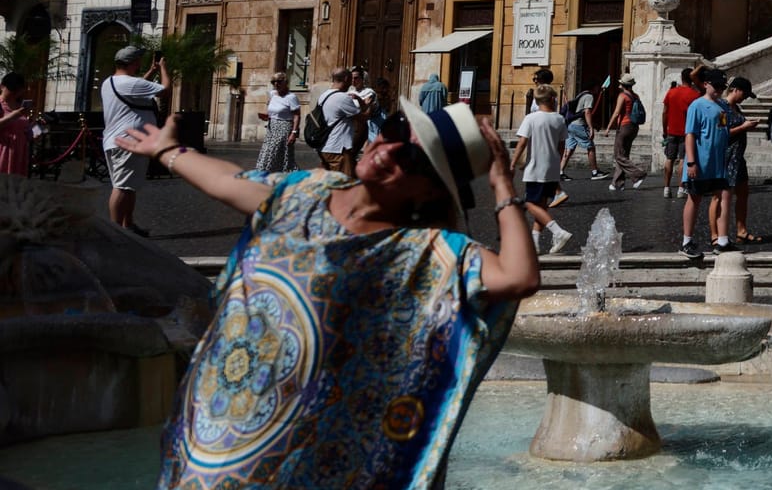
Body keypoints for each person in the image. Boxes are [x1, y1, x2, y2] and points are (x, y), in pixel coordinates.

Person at [134, 96, 536, 487]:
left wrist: (503, 185)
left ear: (429, 191)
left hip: (302, 454)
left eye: (412, 157)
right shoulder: (305, 191)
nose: (389, 149)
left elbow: (518, 277)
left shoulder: (425, 252)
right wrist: (168, 151)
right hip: (213, 429)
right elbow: (225, 181)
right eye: (396, 130)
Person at [100, 45, 168, 234]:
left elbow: (135, 89)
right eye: (138, 60)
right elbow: (165, 90)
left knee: (129, 185)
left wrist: (149, 72)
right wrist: (162, 67)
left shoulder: (110, 82)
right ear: (133, 63)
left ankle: (127, 225)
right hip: (128, 142)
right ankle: (115, 231)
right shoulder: (130, 84)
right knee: (121, 187)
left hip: (118, 140)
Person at [512, 84, 576, 254]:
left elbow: (522, 143)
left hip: (535, 167)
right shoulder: (559, 119)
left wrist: (512, 163)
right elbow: (562, 146)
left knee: (529, 204)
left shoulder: (531, 119)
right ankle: (535, 243)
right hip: (553, 167)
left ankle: (558, 231)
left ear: (536, 100)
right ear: (553, 99)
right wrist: (557, 163)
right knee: (541, 206)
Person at [680, 69, 736, 258]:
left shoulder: (722, 107)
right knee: (694, 199)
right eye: (716, 86)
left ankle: (722, 240)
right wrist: (691, 162)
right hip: (700, 162)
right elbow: (690, 134)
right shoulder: (697, 105)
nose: (719, 90)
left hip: (718, 164)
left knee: (721, 198)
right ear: (706, 84)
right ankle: (686, 241)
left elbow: (724, 131)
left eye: (722, 87)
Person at [714, 76, 760, 244]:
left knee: (743, 193)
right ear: (735, 90)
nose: (745, 98)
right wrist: (744, 127)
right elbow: (721, 132)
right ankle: (715, 235)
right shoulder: (722, 108)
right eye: (745, 94)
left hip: (738, 158)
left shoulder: (737, 108)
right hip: (726, 157)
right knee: (719, 197)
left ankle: (742, 230)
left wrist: (747, 124)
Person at [313, 68, 363, 178]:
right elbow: (362, 118)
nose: (351, 83)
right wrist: (364, 103)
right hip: (338, 149)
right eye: (350, 79)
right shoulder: (343, 98)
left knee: (328, 183)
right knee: (344, 184)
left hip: (324, 146)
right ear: (346, 79)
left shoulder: (324, 95)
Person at [660, 66, 698, 199]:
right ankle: (681, 188)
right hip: (687, 132)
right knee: (683, 159)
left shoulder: (671, 92)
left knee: (669, 159)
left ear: (681, 78)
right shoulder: (694, 95)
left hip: (672, 130)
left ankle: (666, 187)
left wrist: (665, 130)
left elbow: (664, 112)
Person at [254, 72, 301, 174]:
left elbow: (297, 116)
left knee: (278, 154)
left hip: (284, 128)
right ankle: (267, 173)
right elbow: (271, 111)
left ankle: (286, 173)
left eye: (279, 81)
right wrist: (266, 116)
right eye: (273, 82)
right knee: (267, 152)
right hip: (272, 127)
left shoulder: (291, 97)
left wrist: (293, 132)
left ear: (285, 82)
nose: (276, 84)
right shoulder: (272, 94)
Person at [607, 74, 647, 191]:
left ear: (623, 85)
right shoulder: (636, 96)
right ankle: (618, 183)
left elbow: (616, 113)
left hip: (624, 126)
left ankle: (638, 173)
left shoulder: (622, 96)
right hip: (634, 127)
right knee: (624, 154)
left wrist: (609, 127)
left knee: (618, 155)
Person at [560, 82, 605, 180]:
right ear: (594, 86)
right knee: (590, 147)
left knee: (569, 149)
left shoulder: (580, 95)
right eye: (598, 86)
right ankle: (595, 172)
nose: (599, 89)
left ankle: (560, 172)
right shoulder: (589, 96)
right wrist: (591, 128)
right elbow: (587, 112)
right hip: (579, 125)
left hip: (570, 125)